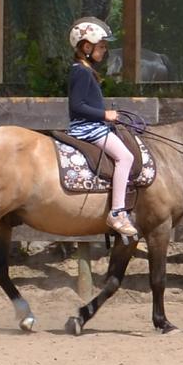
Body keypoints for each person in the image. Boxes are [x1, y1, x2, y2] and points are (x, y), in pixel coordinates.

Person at [67, 17, 139, 239]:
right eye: (102, 46)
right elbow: (76, 106)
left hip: (94, 125)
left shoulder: (85, 69)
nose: (105, 50)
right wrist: (104, 114)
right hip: (88, 128)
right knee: (125, 158)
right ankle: (117, 212)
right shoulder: (80, 71)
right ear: (86, 46)